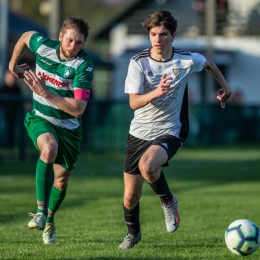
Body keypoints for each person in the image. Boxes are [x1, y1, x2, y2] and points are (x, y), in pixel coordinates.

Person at [118, 9, 232, 249]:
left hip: (171, 129)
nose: (158, 40)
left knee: (148, 166)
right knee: (130, 197)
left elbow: (209, 63)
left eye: (163, 34)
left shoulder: (186, 60)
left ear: (173, 36)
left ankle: (168, 202)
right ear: (149, 36)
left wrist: (226, 88)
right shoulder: (138, 62)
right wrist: (156, 92)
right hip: (139, 132)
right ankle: (133, 234)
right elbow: (133, 102)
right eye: (153, 34)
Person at [9, 17, 94, 244]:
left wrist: (46, 93)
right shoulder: (44, 46)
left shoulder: (83, 66)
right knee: (48, 148)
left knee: (61, 182)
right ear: (60, 37)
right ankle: (40, 211)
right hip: (41, 118)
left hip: (69, 128)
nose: (73, 46)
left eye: (79, 42)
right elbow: (26, 36)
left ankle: (50, 220)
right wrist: (12, 65)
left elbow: (78, 109)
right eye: (69, 40)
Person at [0, 70, 22, 148]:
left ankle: (10, 144)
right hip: (3, 114)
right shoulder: (2, 89)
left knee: (11, 129)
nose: (11, 79)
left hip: (13, 114)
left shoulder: (17, 89)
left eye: (12, 77)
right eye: (9, 77)